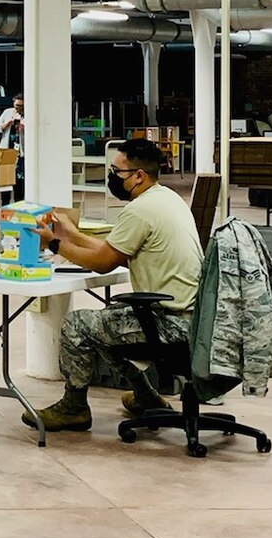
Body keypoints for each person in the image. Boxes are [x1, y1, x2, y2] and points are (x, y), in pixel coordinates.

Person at [23, 138, 203, 433]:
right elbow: (113, 249)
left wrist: (54, 243)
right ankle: (146, 397)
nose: (112, 177)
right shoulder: (166, 199)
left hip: (171, 323)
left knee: (78, 325)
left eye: (117, 171)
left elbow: (103, 262)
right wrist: (72, 235)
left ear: (138, 176)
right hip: (190, 317)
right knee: (106, 323)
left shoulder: (140, 210)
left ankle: (74, 408)